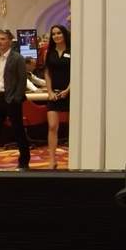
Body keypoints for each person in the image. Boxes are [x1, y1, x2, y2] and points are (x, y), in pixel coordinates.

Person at [0, 29, 30, 169]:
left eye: (3, 39)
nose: (0, 42)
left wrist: (17, 98)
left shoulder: (17, 58)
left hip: (12, 99)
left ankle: (24, 161)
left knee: (18, 131)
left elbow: (22, 80)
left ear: (9, 41)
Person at [43, 24, 71, 170]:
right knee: (52, 126)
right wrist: (49, 92)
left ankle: (74, 157)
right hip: (54, 94)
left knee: (73, 128)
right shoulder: (49, 52)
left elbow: (76, 72)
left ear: (64, 34)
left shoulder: (72, 50)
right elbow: (47, 73)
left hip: (71, 94)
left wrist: (68, 90)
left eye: (59, 33)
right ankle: (52, 159)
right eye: (53, 34)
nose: (56, 36)